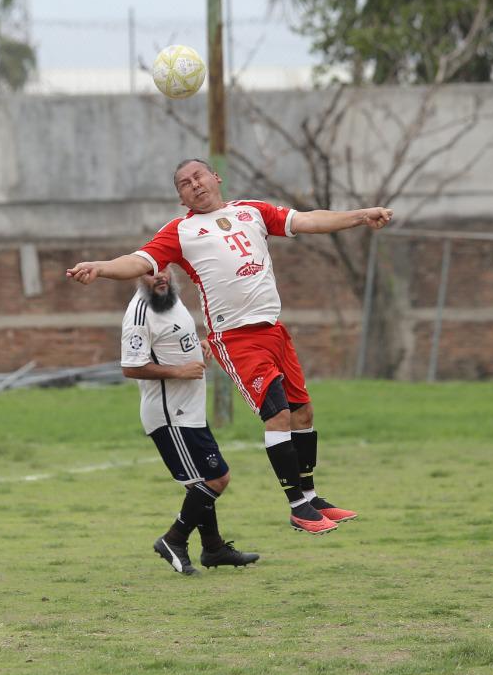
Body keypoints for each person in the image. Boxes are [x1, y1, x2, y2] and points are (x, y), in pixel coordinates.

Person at [69, 158, 394, 535]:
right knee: (278, 416)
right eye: (185, 184)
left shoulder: (252, 211)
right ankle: (297, 508)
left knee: (303, 413)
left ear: (215, 177)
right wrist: (101, 266)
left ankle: (311, 495)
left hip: (274, 330)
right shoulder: (182, 231)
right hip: (236, 337)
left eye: (199, 176)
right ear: (181, 198)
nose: (195, 185)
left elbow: (307, 220)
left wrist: (360, 216)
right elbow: (138, 260)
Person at [121, 266, 259, 575]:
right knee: (216, 479)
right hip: (170, 415)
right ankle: (174, 539)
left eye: (164, 269)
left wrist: (197, 345)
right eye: (150, 272)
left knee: (200, 483)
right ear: (136, 277)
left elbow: (171, 341)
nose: (160, 277)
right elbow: (131, 367)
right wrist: (180, 372)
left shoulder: (169, 298)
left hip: (189, 409)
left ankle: (213, 548)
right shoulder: (139, 314)